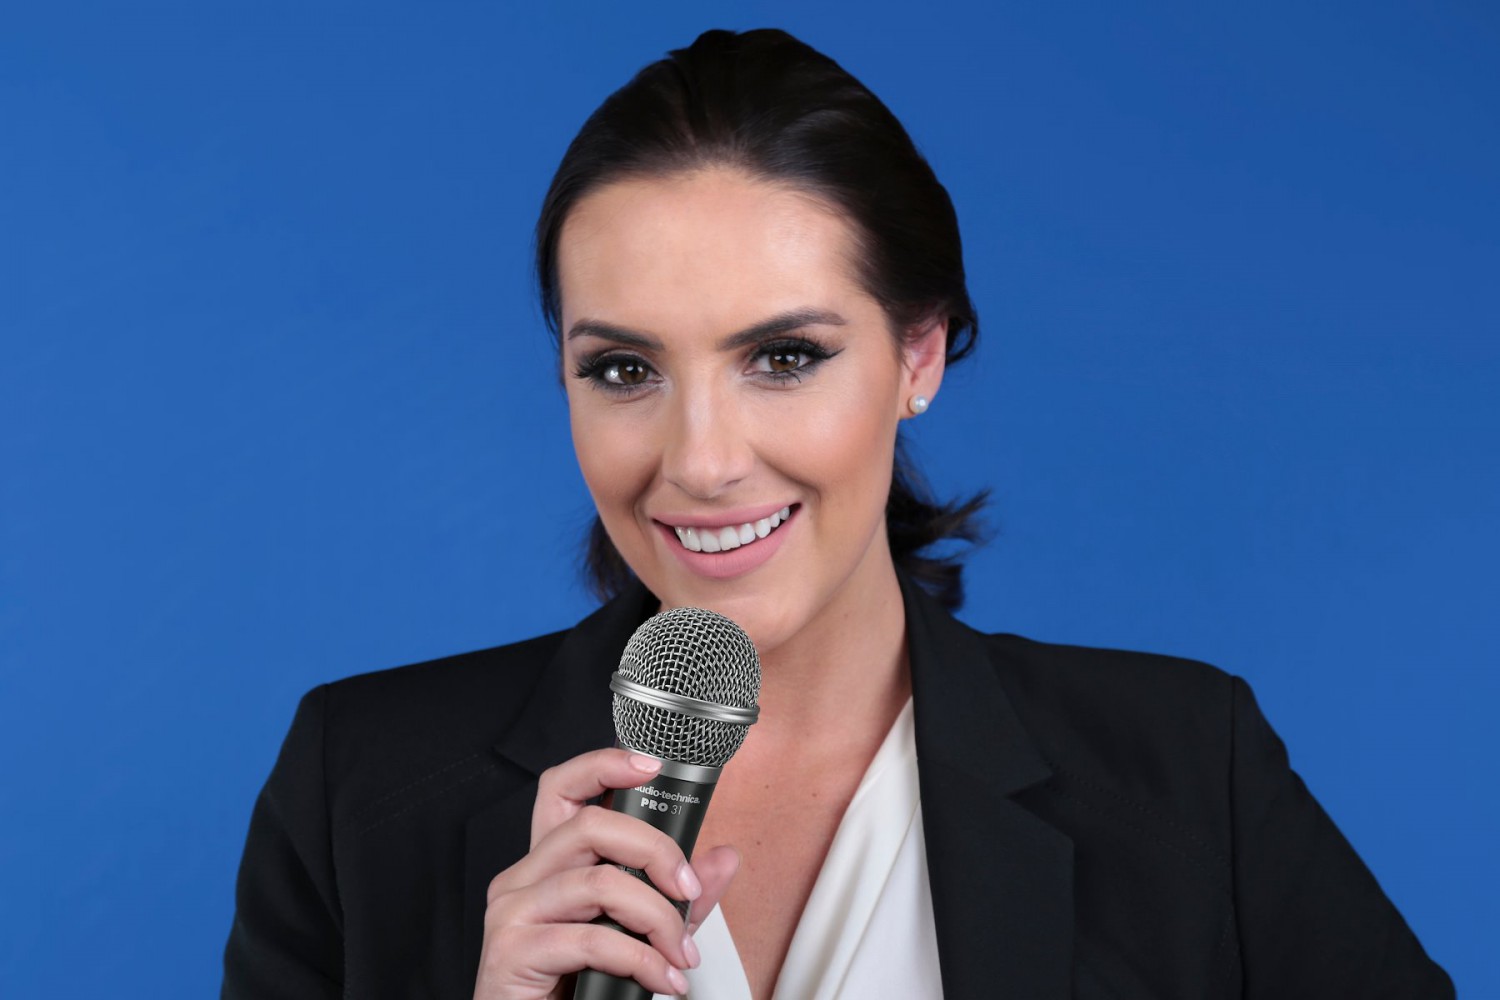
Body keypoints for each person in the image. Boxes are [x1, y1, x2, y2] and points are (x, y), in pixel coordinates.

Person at [221, 28, 1453, 1000]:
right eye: (625, 369)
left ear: (919, 354)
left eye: (784, 357)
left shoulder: (1186, 772)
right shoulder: (359, 783)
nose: (702, 461)